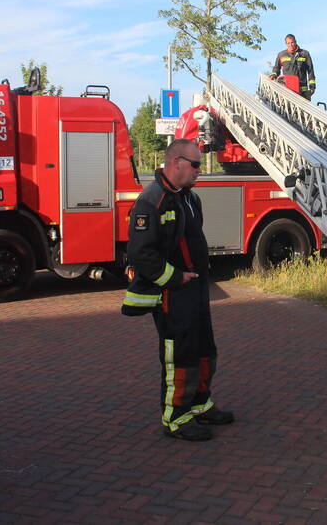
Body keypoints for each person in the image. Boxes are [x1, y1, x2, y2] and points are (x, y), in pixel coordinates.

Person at [123, 138, 234, 441]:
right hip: (173, 294)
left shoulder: (189, 198)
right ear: (176, 162)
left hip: (195, 291)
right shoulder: (151, 201)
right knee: (179, 355)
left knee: (204, 350)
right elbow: (141, 254)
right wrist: (175, 278)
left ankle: (200, 405)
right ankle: (175, 418)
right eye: (196, 164)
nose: (200, 170)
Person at [270, 34, 316, 99]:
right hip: (288, 90)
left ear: (295, 42)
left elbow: (311, 71)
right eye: (288, 43)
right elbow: (276, 68)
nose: (290, 45)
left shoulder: (304, 54)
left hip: (302, 91)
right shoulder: (281, 55)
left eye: (292, 42)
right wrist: (273, 75)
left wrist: (312, 87)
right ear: (286, 44)